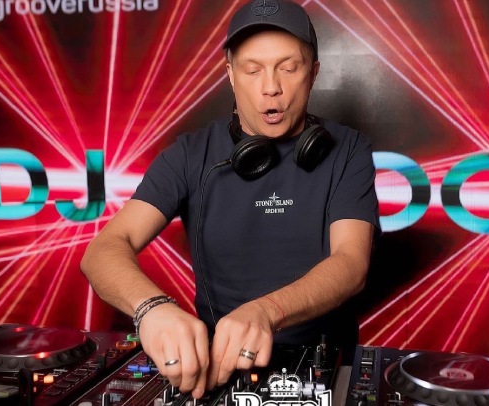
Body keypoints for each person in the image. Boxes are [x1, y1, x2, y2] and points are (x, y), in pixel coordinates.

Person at [80, 0, 379, 400]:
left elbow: (351, 263)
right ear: (230, 74)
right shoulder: (189, 155)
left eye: (289, 68)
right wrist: (151, 309)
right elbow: (103, 250)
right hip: (219, 364)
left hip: (325, 361)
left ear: (313, 73)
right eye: (252, 70)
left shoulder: (349, 149)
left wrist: (266, 311)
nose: (270, 87)